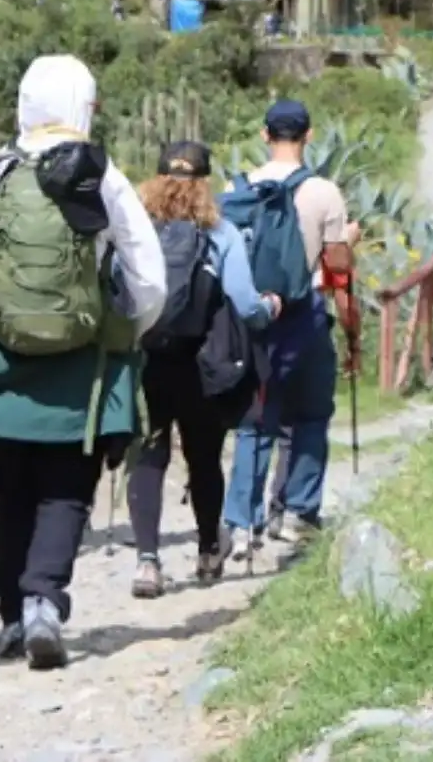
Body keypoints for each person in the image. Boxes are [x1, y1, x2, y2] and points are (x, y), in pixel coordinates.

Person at [0, 55, 166, 671]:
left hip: (5, 357)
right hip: (81, 363)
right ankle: (44, 605)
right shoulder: (99, 176)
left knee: (12, 486)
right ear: (83, 104)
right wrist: (125, 329)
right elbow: (149, 275)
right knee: (67, 487)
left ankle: (9, 614)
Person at [126, 141, 280, 599]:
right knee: (204, 457)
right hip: (202, 363)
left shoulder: (138, 232)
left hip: (147, 359)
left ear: (154, 179)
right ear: (205, 182)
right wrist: (270, 308)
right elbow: (245, 304)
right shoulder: (220, 232)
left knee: (150, 456)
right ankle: (209, 550)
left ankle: (148, 563)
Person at [221, 100, 360, 562]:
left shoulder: (237, 189)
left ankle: (241, 523)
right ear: (310, 134)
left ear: (265, 135)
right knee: (312, 415)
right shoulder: (324, 193)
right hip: (305, 316)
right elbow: (338, 272)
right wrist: (351, 329)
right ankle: (298, 514)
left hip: (251, 322)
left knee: (254, 422)